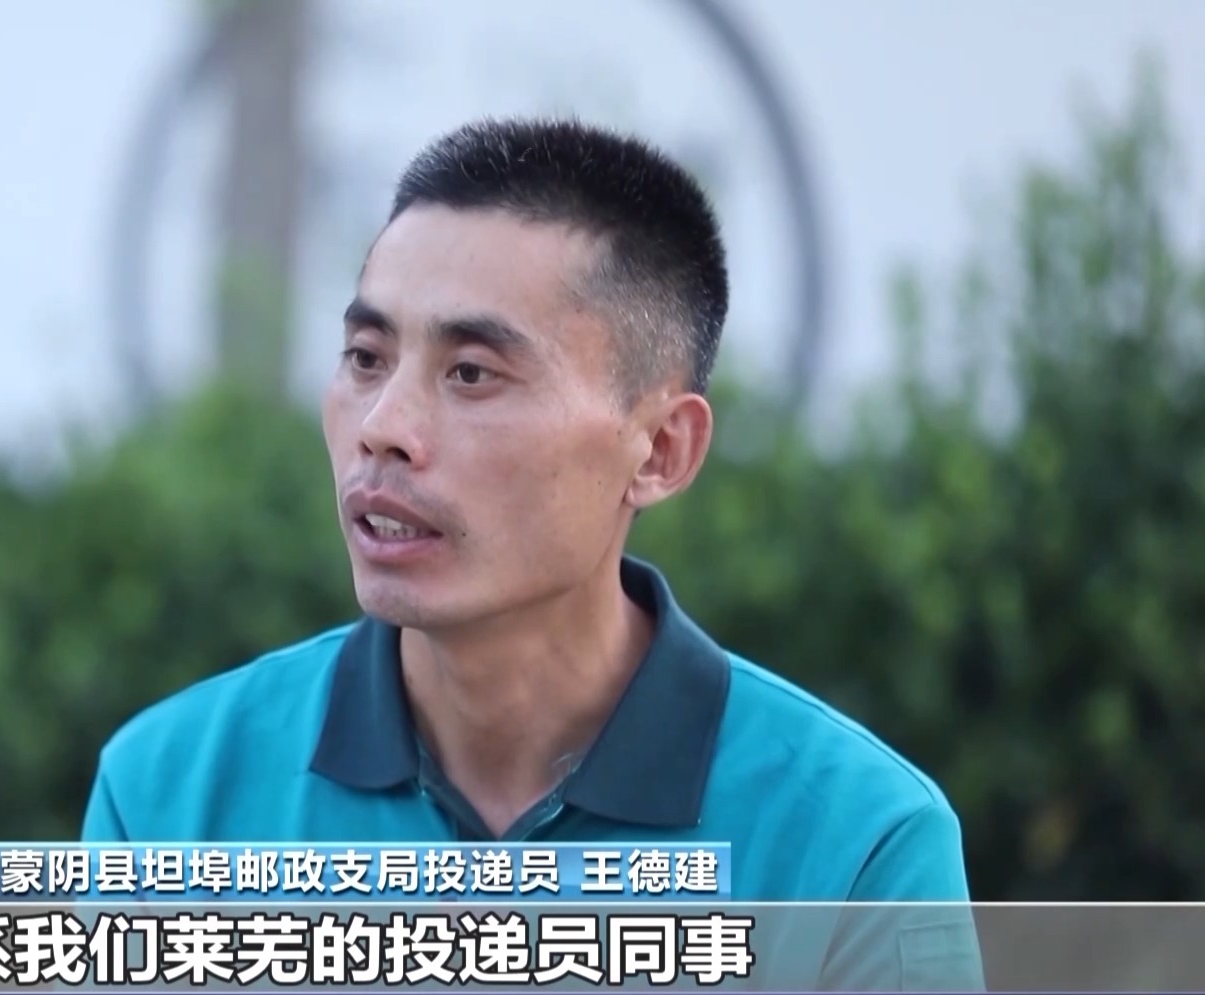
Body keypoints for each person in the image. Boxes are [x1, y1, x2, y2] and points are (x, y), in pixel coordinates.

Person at [82, 117, 983, 990]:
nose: (383, 427)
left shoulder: (854, 844)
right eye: (365, 356)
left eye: (472, 373)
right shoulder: (171, 793)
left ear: (661, 450)